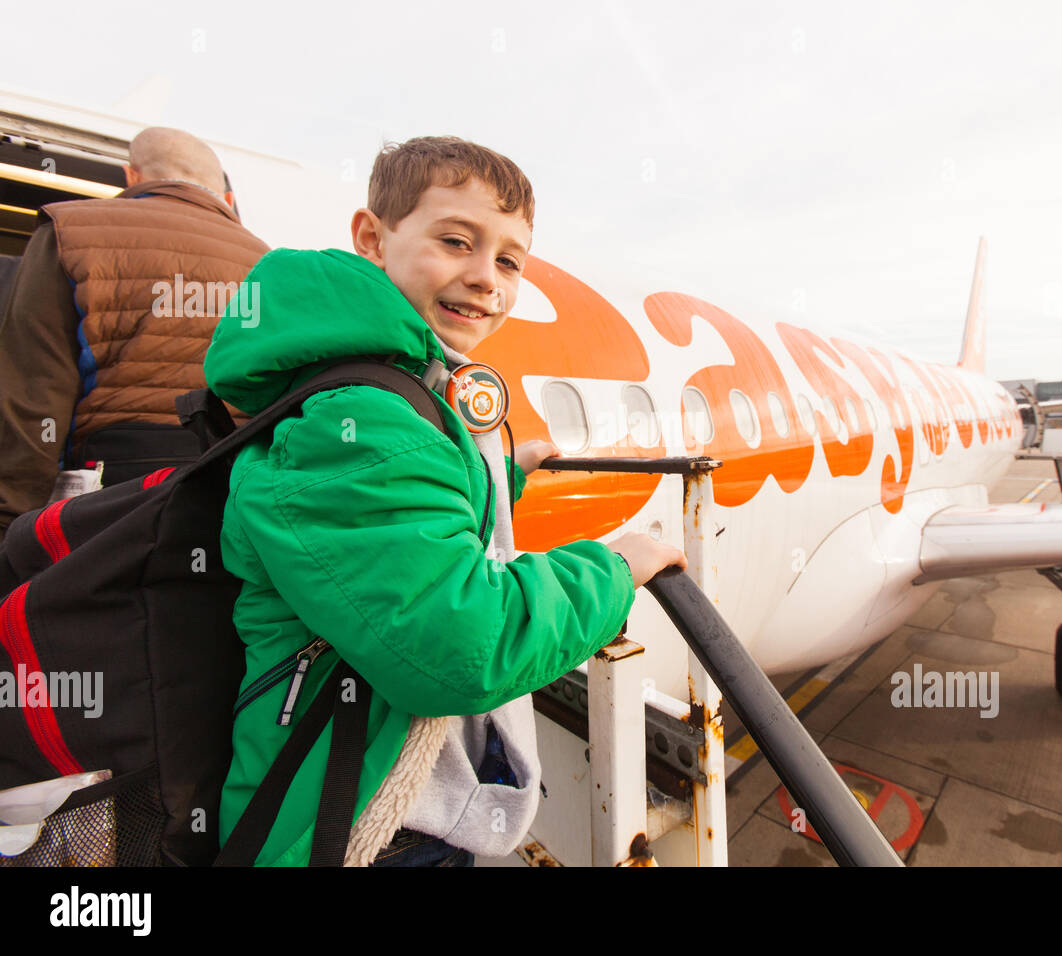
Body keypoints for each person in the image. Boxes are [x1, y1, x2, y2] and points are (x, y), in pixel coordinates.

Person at [206, 136, 686, 866]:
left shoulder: (374, 383)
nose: (486, 279)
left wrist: (506, 476)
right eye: (456, 241)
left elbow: (395, 518)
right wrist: (616, 569)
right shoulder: (362, 419)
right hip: (364, 829)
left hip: (368, 791)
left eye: (508, 260)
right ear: (372, 238)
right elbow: (462, 646)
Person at [0, 127, 268, 542]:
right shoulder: (269, 263)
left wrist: (11, 521)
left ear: (132, 176)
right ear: (226, 199)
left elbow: (33, 395)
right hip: (223, 504)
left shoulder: (70, 232)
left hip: (101, 504)